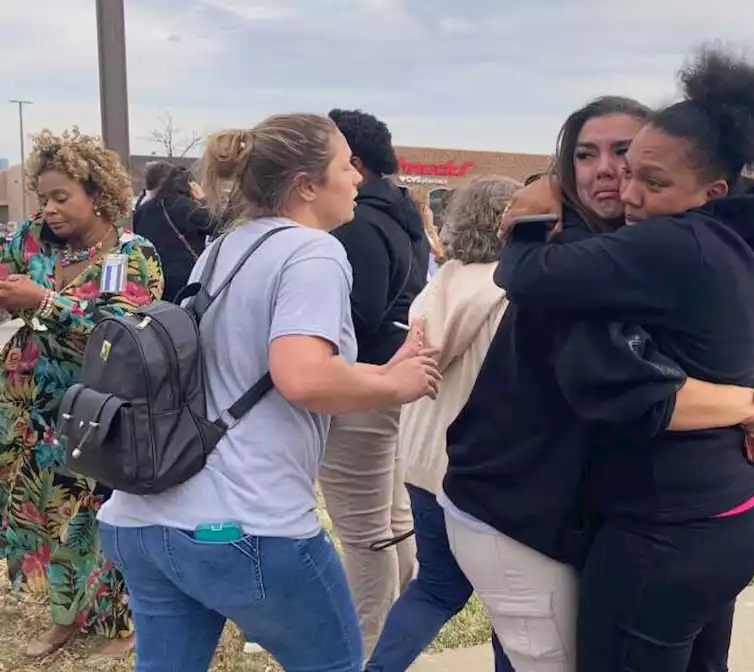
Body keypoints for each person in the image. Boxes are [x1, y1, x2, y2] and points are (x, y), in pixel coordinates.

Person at [442, 90, 754, 672]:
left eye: (627, 158)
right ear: (563, 170)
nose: (611, 175)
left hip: (587, 510)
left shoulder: (633, 254)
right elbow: (641, 392)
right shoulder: (578, 265)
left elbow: (673, 349)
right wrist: (745, 399)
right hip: (519, 510)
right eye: (584, 155)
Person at [97, 113, 443, 670]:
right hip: (245, 525)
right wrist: (394, 386)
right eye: (343, 166)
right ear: (307, 186)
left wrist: (382, 372)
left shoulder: (226, 247)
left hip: (144, 521)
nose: (356, 177)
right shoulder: (313, 251)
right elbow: (301, 376)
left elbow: (246, 366)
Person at [0, 128, 162, 659]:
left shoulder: (133, 253)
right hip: (31, 405)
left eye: (61, 197)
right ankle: (64, 617)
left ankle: (122, 624)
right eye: (43, 197)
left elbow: (122, 324)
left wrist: (43, 301)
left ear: (98, 194)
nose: (48, 209)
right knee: (43, 511)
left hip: (98, 406)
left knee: (102, 514)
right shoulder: (29, 240)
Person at [366, 177, 516, 672]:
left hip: (423, 462)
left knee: (434, 588)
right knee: (511, 607)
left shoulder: (441, 282)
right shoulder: (513, 293)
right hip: (483, 470)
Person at [320, 108, 432, 654]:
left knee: (365, 531)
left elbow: (355, 316)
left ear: (355, 162)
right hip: (389, 380)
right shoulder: (400, 211)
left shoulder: (361, 222)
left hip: (364, 386)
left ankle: (365, 647)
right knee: (389, 520)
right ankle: (390, 622)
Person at [131, 165, 218, 301]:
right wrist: (203, 200)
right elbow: (216, 225)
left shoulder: (143, 209)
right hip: (184, 278)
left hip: (152, 277)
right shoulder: (187, 207)